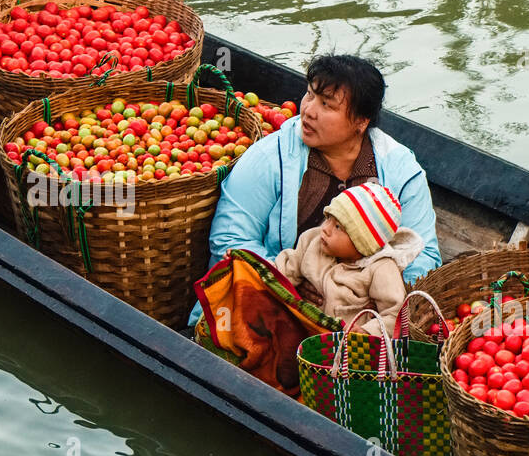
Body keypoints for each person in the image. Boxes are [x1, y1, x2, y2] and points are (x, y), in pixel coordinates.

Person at [188, 54, 440, 328]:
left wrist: (376, 298)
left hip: (362, 324)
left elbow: (424, 256)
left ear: (361, 121)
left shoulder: (401, 169)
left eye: (326, 105)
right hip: (271, 306)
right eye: (309, 95)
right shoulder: (270, 157)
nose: (308, 110)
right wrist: (290, 286)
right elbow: (230, 239)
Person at [273, 181, 424, 335]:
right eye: (328, 218)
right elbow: (281, 272)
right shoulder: (312, 241)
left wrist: (367, 332)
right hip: (297, 324)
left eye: (338, 227)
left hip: (340, 345)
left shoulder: (381, 268)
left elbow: (394, 315)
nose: (325, 228)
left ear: (362, 243)